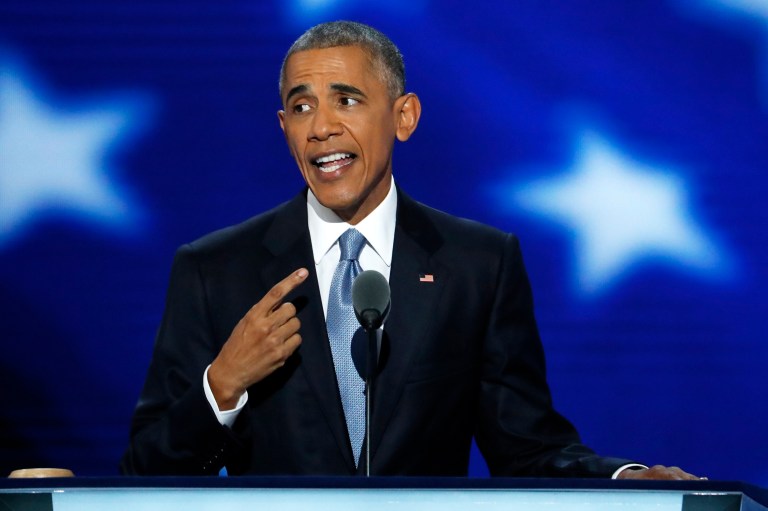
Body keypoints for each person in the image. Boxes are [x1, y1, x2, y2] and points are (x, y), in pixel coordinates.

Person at [120, 21, 699, 480]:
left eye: (345, 100)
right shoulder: (215, 270)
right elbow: (145, 470)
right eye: (301, 107)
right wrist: (222, 385)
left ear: (404, 116)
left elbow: (527, 448)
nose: (320, 127)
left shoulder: (478, 265)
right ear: (283, 126)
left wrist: (621, 478)